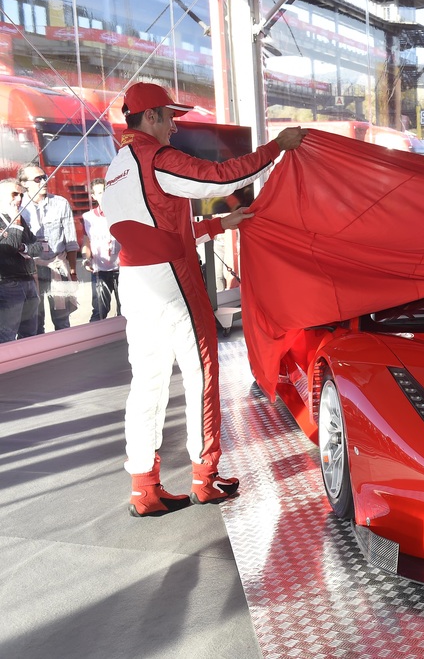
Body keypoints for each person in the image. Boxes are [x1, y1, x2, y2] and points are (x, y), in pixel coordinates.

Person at [102, 82, 307, 517]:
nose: (175, 127)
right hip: (172, 279)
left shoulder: (117, 166)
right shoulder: (155, 158)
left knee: (147, 384)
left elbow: (153, 229)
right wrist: (277, 147)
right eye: (170, 117)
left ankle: (143, 488)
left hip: (134, 283)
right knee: (201, 375)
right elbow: (222, 175)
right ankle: (205, 478)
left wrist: (221, 224)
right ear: (152, 116)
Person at [18, 164, 79, 333]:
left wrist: (72, 272)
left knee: (62, 321)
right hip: (30, 271)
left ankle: (66, 354)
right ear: (24, 183)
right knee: (35, 322)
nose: (44, 181)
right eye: (38, 179)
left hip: (57, 268)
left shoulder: (61, 203)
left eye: (45, 177)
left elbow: (71, 242)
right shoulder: (18, 208)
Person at [0, 177, 41, 342]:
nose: (18, 199)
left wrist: (22, 247)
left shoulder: (18, 217)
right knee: (7, 335)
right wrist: (16, 224)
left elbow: (37, 247)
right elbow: (8, 249)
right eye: (14, 194)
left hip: (28, 279)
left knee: (30, 331)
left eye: (21, 195)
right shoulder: (16, 218)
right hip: (7, 283)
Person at [81, 178, 121, 321]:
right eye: (98, 192)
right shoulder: (88, 217)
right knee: (99, 310)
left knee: (125, 308)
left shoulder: (121, 213)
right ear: (93, 196)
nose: (102, 195)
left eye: (104, 191)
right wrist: (86, 258)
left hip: (122, 269)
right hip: (101, 270)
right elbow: (86, 242)